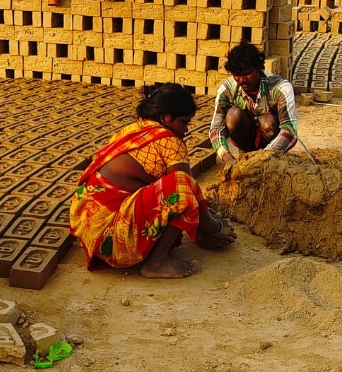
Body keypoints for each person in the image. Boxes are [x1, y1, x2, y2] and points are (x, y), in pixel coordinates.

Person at [70, 83, 236, 279]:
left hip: (90, 231)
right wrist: (214, 227)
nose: (186, 130)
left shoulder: (134, 130)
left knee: (180, 193)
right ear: (165, 117)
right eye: (183, 122)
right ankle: (156, 263)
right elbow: (186, 189)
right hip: (114, 238)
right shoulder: (170, 141)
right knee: (181, 186)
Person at [209, 42, 298, 164]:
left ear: (259, 68)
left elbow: (290, 130)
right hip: (246, 137)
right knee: (233, 115)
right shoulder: (227, 90)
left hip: (271, 143)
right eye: (237, 75)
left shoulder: (280, 88)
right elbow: (216, 129)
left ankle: (272, 159)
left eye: (247, 73)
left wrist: (263, 156)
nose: (242, 80)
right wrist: (227, 157)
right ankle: (244, 153)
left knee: (268, 122)